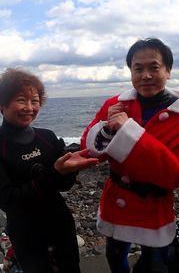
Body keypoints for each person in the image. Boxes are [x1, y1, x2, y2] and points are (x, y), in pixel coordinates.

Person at [80, 37, 179, 273]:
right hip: (117, 200)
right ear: (131, 72)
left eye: (154, 67)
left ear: (168, 70)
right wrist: (108, 127)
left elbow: (178, 174)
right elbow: (89, 149)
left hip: (154, 204)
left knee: (156, 267)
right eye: (138, 68)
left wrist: (127, 130)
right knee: (115, 260)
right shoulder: (115, 104)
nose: (145, 75)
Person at [0, 68, 99, 273]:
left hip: (60, 222)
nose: (29, 108)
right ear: (2, 104)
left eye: (34, 101)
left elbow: (63, 185)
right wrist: (55, 173)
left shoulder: (46, 136)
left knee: (72, 269)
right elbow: (8, 200)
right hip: (26, 231)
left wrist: (71, 168)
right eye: (21, 100)